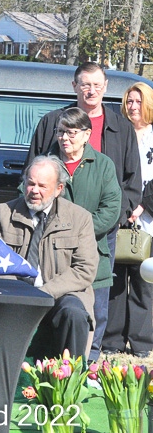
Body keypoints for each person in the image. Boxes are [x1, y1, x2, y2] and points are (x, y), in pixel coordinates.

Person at [26, 62, 141, 362]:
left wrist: (114, 219)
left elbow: (131, 181)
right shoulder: (52, 123)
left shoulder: (121, 127)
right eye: (85, 84)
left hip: (102, 230)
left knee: (97, 296)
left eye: (97, 85)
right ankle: (48, 355)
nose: (91, 90)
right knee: (54, 290)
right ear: (74, 86)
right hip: (53, 233)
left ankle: (89, 357)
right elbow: (31, 171)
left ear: (106, 87)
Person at [0, 155, 99, 360]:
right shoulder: (4, 213)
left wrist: (44, 293)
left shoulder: (80, 218)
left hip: (61, 294)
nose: (34, 190)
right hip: (16, 295)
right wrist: (22, 294)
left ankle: (71, 375)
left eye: (42, 186)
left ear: (59, 189)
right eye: (30, 183)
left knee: (74, 314)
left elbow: (85, 269)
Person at [48, 106, 122, 360]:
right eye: (60, 131)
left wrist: (79, 234)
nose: (64, 138)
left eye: (71, 132)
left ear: (87, 134)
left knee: (95, 314)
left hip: (92, 254)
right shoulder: (46, 163)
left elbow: (111, 210)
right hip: (50, 255)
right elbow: (29, 197)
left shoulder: (103, 165)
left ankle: (90, 362)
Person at [103, 82, 153, 356]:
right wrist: (123, 207)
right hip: (120, 212)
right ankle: (112, 340)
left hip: (148, 217)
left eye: (139, 101)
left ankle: (142, 342)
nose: (133, 107)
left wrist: (142, 205)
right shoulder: (118, 133)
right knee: (116, 278)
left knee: (145, 279)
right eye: (129, 101)